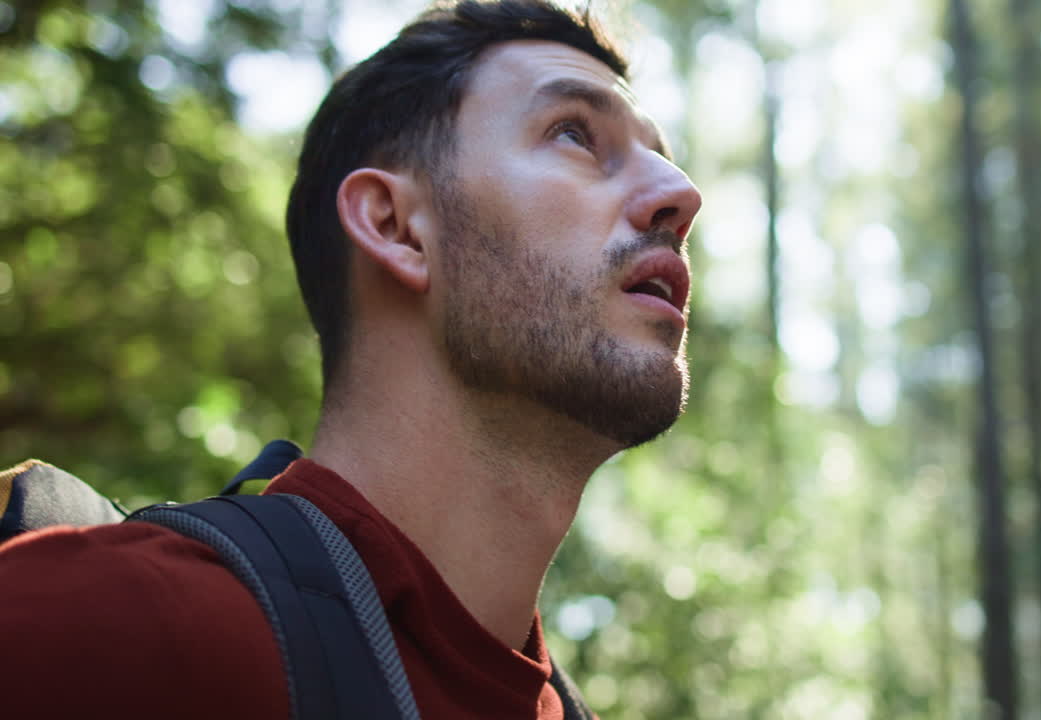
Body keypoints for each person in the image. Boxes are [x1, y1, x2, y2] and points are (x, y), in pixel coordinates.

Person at [0, 0, 701, 717]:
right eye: (575, 135)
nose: (681, 196)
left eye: (661, 160)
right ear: (395, 227)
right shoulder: (106, 628)